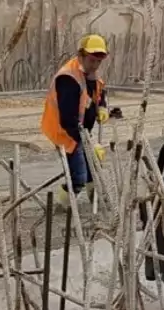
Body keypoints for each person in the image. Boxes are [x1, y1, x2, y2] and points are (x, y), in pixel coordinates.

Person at [40, 34, 112, 203]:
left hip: (80, 131)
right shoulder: (68, 79)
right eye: (91, 60)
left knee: (93, 168)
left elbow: (99, 94)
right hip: (64, 131)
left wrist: (101, 107)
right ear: (81, 56)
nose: (95, 66)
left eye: (98, 62)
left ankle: (96, 202)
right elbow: (67, 119)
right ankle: (63, 208)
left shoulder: (90, 74)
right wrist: (90, 144)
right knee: (79, 175)